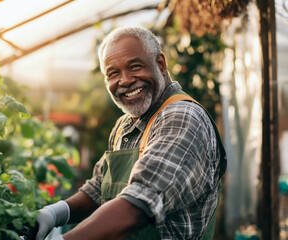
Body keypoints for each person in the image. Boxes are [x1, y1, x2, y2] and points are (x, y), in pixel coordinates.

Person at [34, 26, 227, 240]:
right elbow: (99, 190)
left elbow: (140, 203)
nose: (125, 80)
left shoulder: (182, 117)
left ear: (160, 64)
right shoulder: (124, 126)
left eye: (134, 66)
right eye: (113, 73)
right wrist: (55, 213)